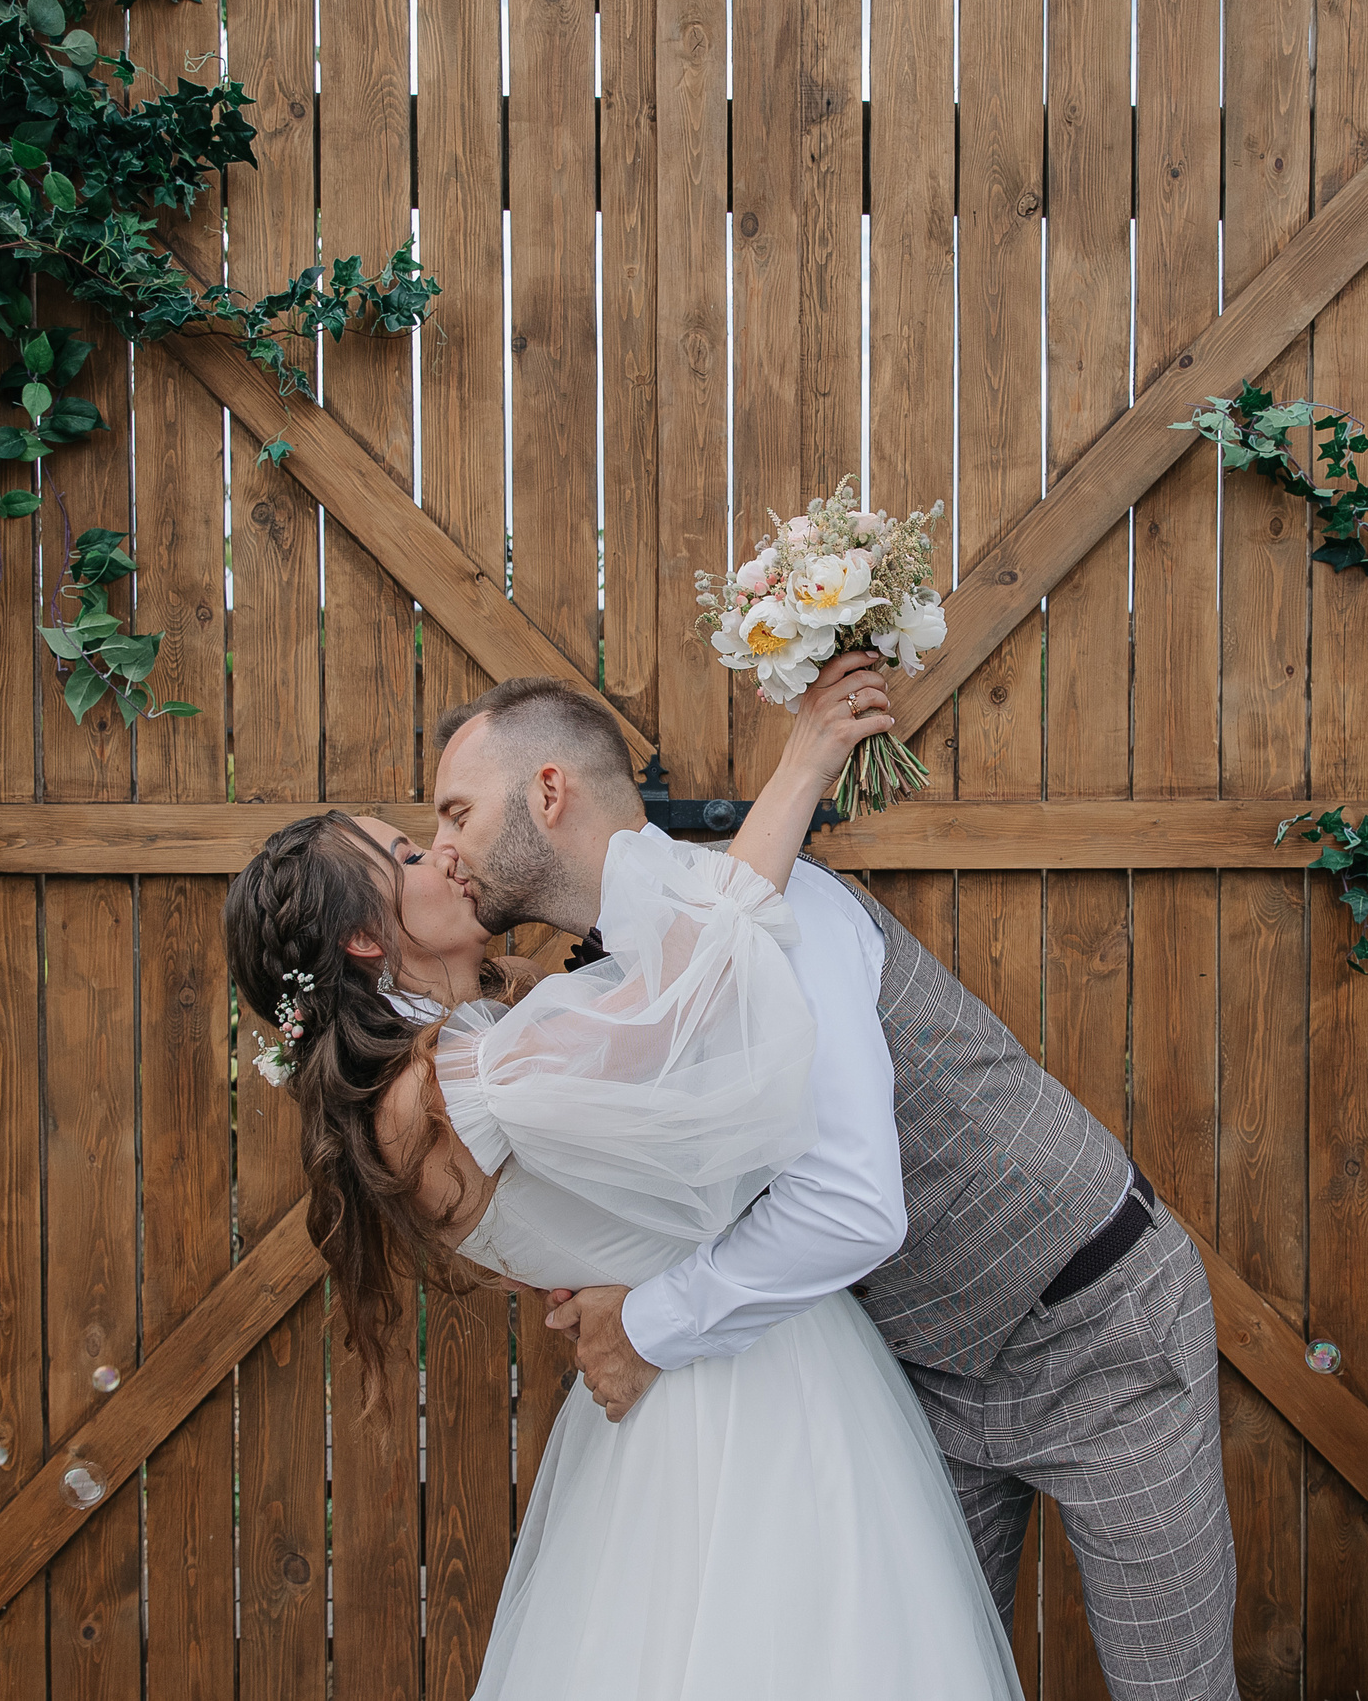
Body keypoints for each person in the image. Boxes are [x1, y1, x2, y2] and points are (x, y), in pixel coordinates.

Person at [431, 652, 1241, 1701]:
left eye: (456, 812)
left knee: (1173, 1692)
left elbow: (851, 1205)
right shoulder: (607, 992)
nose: (441, 848)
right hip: (910, 1376)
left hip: (1093, 1325)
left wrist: (645, 1322)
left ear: (547, 792)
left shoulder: (780, 907)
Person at [223, 667, 1023, 1701]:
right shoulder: (480, 1080)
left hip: (651, 1410)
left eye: (442, 826)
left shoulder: (439, 1081)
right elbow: (701, 988)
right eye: (413, 852)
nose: (448, 854)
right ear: (367, 937)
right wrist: (801, 768)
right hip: (750, 1396)